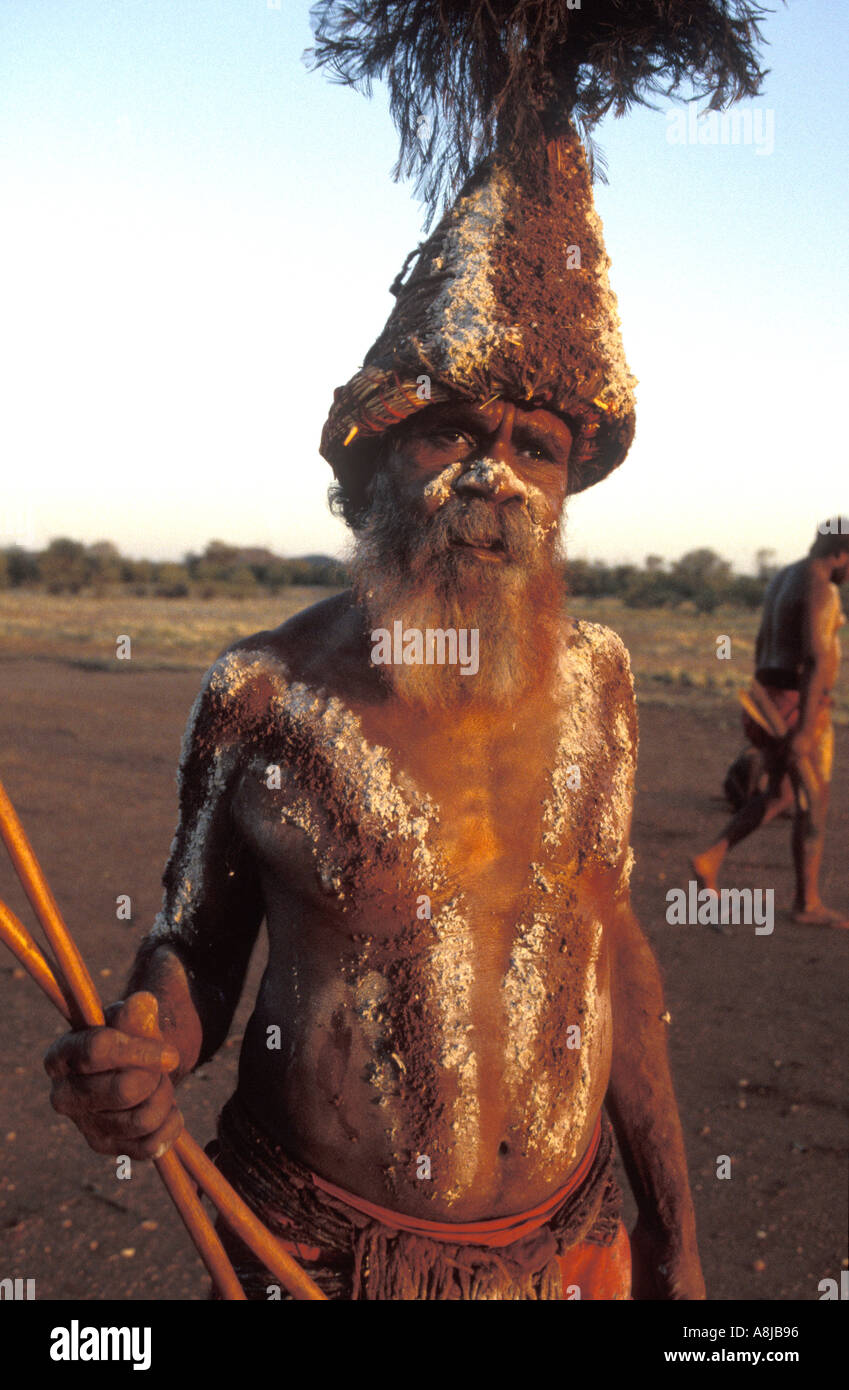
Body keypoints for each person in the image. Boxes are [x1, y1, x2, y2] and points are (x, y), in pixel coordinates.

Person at [42, 1, 771, 1299]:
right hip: (319, 1257)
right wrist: (144, 1043)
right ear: (377, 455)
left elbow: (608, 946)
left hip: (569, 1250)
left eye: (537, 447)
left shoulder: (601, 682)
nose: (495, 475)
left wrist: (676, 1231)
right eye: (451, 432)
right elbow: (192, 944)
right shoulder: (263, 694)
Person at [692, 523, 849, 927]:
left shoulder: (785, 577)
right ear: (840, 553)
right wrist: (804, 728)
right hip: (797, 704)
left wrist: (770, 704)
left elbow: (763, 646)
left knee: (780, 795)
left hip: (770, 696)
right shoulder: (820, 586)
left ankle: (710, 860)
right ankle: (807, 904)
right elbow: (815, 658)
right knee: (814, 800)